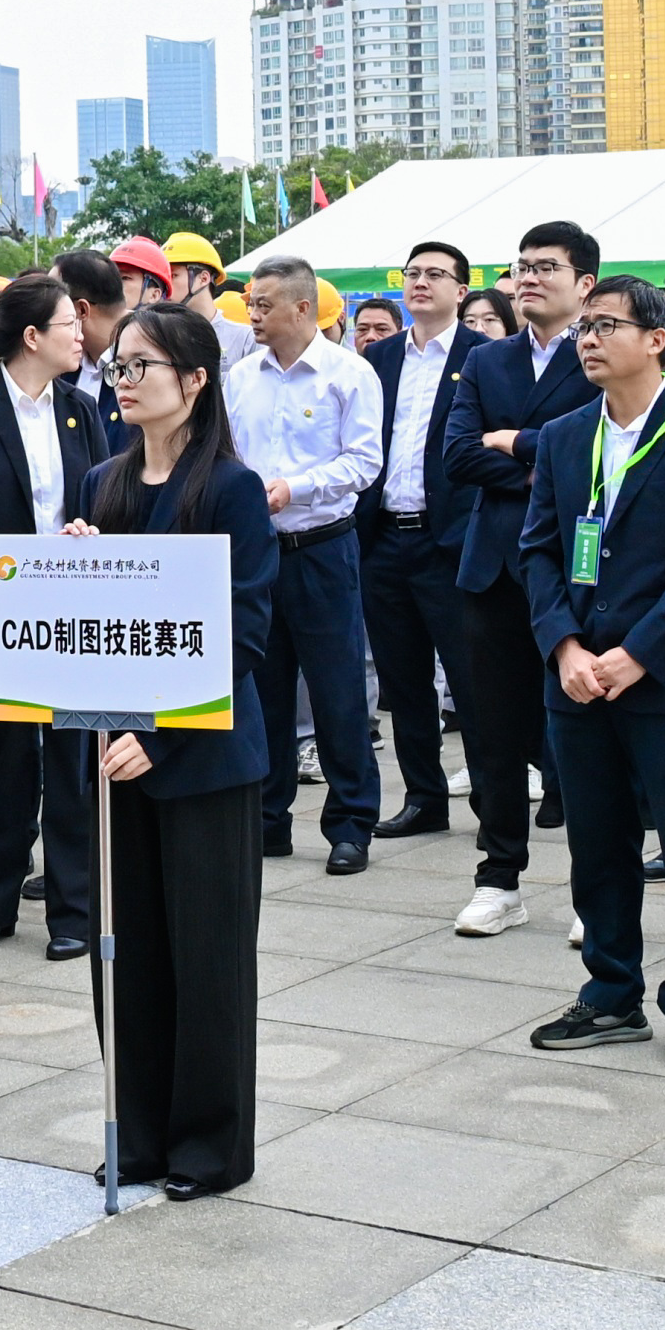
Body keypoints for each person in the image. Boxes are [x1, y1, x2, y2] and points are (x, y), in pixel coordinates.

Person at [71, 302, 279, 1196]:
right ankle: (140, 1132)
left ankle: (209, 1147)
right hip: (114, 750)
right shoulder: (103, 484)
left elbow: (241, 633)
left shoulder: (228, 487)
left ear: (195, 380)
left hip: (200, 758)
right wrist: (69, 563)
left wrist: (159, 731)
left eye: (141, 366)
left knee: (208, 959)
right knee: (125, 949)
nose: (122, 381)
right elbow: (94, 625)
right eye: (116, 366)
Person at [520, 273, 665, 1067]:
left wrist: (639, 653)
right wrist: (566, 646)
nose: (588, 339)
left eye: (606, 325)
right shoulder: (563, 435)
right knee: (597, 840)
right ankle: (610, 991)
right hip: (578, 678)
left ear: (657, 340)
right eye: (584, 327)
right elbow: (539, 550)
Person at [0, 273, 113, 957]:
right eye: (69, 324)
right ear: (33, 336)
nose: (81, 333)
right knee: (7, 762)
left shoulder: (81, 407)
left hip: (69, 606)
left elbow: (103, 496)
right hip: (5, 609)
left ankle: (73, 912)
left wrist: (89, 528)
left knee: (72, 761)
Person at [441, 221, 596, 936]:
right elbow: (459, 455)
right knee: (494, 732)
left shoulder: (601, 351)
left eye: (547, 267)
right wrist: (541, 462)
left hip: (580, 568)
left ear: (584, 283)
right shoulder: (487, 359)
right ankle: (499, 876)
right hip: (493, 565)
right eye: (522, 267)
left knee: (584, 733)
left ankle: (596, 889)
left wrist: (523, 443)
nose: (529, 278)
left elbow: (597, 451)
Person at [222, 254, 386, 871]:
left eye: (263, 305)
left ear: (300, 307)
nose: (253, 315)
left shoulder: (348, 374)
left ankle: (350, 823)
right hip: (258, 552)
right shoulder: (240, 377)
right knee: (261, 689)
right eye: (250, 305)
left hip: (322, 546)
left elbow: (363, 463)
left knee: (337, 689)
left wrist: (296, 487)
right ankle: (267, 819)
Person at [361, 240, 477, 846]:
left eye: (436, 274)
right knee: (402, 683)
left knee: (472, 675)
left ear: (462, 289)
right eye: (413, 273)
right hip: (384, 536)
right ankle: (423, 796)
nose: (421, 283)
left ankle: (492, 789)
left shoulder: (485, 356)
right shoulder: (378, 358)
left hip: (448, 541)